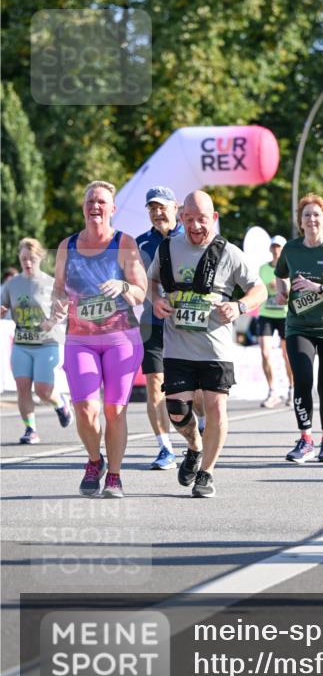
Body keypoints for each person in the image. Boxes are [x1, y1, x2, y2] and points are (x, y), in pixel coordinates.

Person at [149, 190, 267, 498]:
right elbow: (152, 282)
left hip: (216, 349)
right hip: (178, 346)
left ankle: (206, 473)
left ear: (213, 217)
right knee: (176, 411)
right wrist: (156, 299)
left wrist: (239, 306)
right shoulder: (168, 248)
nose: (195, 226)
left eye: (201, 219)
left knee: (215, 408)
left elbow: (260, 289)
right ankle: (194, 445)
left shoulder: (229, 252)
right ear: (181, 218)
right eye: (189, 219)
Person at [51, 181, 147, 497]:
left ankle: (115, 476)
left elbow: (141, 291)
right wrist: (57, 303)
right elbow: (58, 289)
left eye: (101, 201)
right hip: (81, 339)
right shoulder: (67, 246)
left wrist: (123, 287)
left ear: (112, 209)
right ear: (83, 207)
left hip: (121, 338)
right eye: (90, 201)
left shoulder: (124, 243)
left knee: (114, 411)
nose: (95, 206)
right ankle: (95, 461)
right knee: (85, 409)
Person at [274, 193, 323, 464]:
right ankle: (305, 439)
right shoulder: (291, 249)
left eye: (316, 215)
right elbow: (280, 274)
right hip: (299, 326)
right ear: (301, 222)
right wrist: (282, 292)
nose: (311, 219)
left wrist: (318, 288)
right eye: (306, 215)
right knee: (303, 380)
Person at [0, 238, 71, 444]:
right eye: (24, 259)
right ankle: (30, 429)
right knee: (23, 387)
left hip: (46, 344)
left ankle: (60, 404)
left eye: (31, 258)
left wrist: (53, 320)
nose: (28, 263)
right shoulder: (12, 284)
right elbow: (4, 305)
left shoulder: (51, 283)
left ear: (40, 258)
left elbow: (65, 309)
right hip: (21, 344)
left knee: (43, 390)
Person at [136, 186, 183, 469]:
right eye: (152, 208)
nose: (157, 213)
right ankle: (165, 448)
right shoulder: (140, 243)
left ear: (175, 207)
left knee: (193, 390)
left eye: (162, 207)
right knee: (155, 382)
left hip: (187, 324)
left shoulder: (191, 236)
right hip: (152, 322)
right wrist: (154, 299)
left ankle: (200, 428)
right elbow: (138, 282)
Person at [257, 235, 294, 408]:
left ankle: (292, 388)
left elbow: (296, 291)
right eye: (273, 246)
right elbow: (256, 289)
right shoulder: (263, 269)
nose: (276, 250)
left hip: (285, 315)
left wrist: (282, 288)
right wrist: (268, 287)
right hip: (266, 314)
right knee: (265, 352)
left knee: (287, 355)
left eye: (279, 247)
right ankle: (272, 391)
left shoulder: (291, 267)